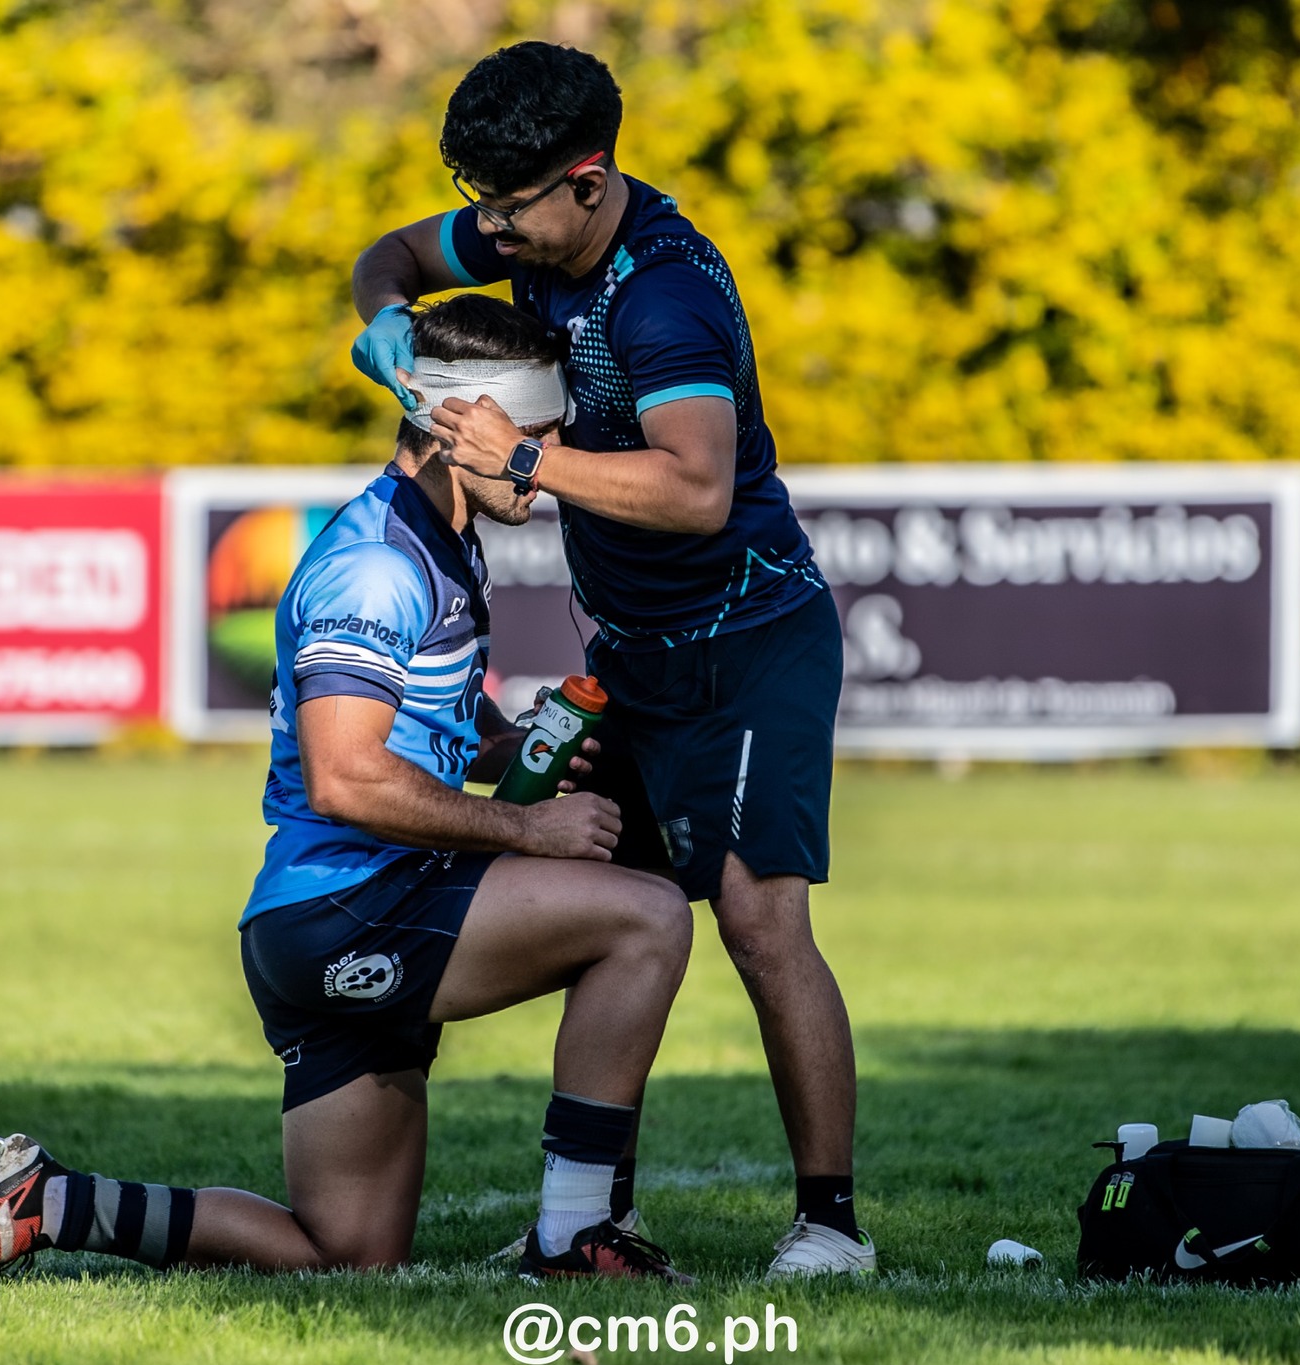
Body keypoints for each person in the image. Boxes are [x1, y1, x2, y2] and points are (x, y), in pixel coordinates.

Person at [0, 295, 693, 1287]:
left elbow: (419, 720)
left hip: (335, 911)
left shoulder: (439, 533)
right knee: (647, 917)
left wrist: (510, 743)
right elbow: (343, 775)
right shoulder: (375, 565)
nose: (550, 460)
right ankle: (574, 1233)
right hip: (356, 906)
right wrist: (526, 827)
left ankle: (48, 1202)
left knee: (348, 1254)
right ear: (463, 426)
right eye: (534, 434)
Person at [349, 42, 870, 1277]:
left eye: (508, 206)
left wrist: (526, 460)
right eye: (478, 201)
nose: (488, 229)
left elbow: (694, 491)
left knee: (758, 921)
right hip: (633, 656)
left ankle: (831, 1227)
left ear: (586, 182)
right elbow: (393, 255)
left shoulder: (662, 295)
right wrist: (383, 319)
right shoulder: (536, 233)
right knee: (606, 910)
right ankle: (581, 1226)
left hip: (745, 647)